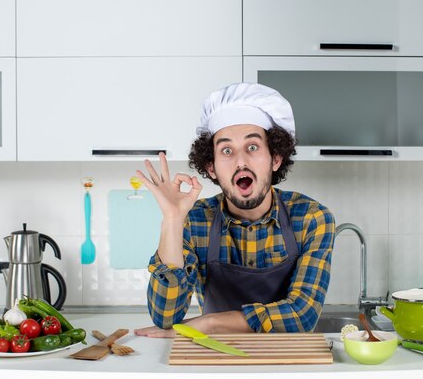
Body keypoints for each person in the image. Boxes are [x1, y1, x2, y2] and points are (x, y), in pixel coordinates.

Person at [133, 82, 335, 337]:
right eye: (226, 150)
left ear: (275, 158)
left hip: (288, 361)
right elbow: (165, 318)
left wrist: (209, 323)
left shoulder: (311, 218)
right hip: (214, 360)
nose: (241, 161)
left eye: (252, 147)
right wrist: (172, 220)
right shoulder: (195, 221)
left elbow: (301, 316)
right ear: (212, 168)